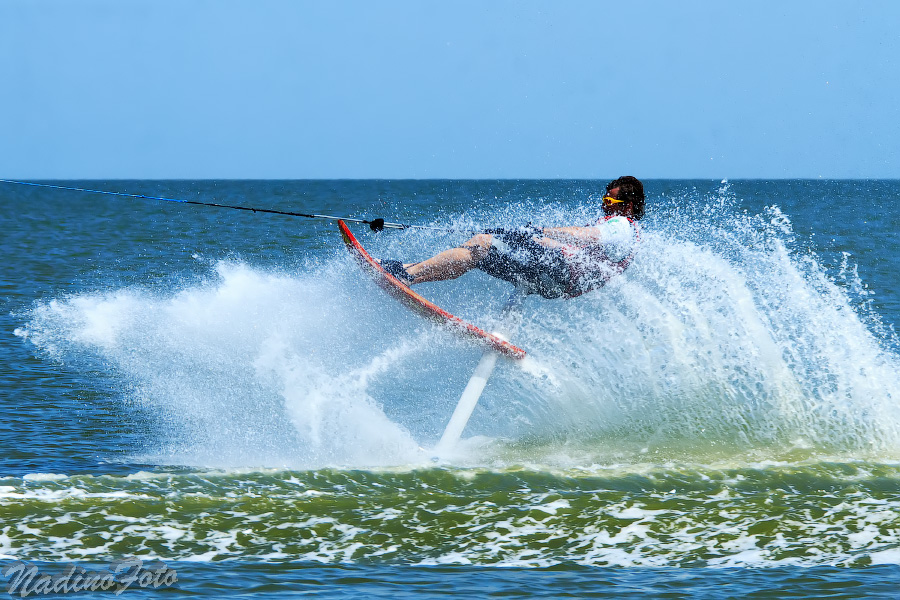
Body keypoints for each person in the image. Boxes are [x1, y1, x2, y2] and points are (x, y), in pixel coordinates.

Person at [381, 176, 645, 300]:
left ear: (628, 205)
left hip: (558, 274)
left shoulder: (621, 226)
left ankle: (407, 274)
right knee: (481, 249)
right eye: (604, 199)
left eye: (610, 200)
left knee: (483, 243)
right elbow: (575, 249)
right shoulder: (627, 238)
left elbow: (583, 236)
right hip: (556, 280)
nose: (605, 205)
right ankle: (407, 273)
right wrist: (530, 237)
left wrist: (539, 232)